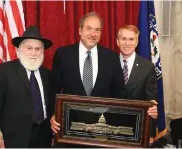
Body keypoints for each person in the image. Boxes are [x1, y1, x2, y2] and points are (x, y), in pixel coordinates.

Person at [50, 12, 127, 147]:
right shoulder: (63, 54)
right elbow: (53, 89)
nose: (93, 33)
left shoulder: (112, 58)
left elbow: (119, 93)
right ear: (80, 30)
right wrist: (53, 114)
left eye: (97, 30)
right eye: (89, 28)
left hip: (102, 132)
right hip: (69, 129)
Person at [0, 26, 54, 148]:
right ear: (19, 49)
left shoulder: (47, 74)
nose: (33, 53)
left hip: (43, 138)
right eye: (29, 48)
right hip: (14, 139)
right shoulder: (4, 71)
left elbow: (49, 105)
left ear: (43, 51)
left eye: (38, 49)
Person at [116, 24, 158, 143]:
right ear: (117, 41)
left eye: (131, 39)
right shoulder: (109, 63)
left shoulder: (147, 67)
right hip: (112, 129)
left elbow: (151, 104)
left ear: (137, 42)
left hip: (137, 129)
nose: (127, 43)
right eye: (123, 39)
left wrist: (150, 135)